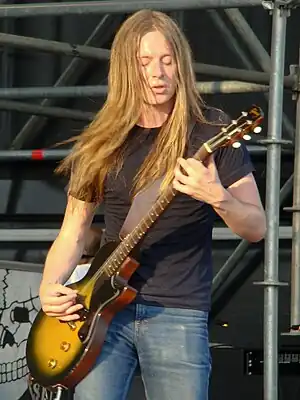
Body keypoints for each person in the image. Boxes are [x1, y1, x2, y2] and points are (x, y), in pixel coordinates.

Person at [38, 9, 266, 400]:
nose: (158, 73)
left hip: (177, 314)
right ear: (127, 67)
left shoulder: (211, 131)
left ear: (181, 63)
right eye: (145, 62)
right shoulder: (103, 139)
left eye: (167, 60)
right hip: (99, 317)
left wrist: (217, 196)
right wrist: (48, 286)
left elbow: (256, 227)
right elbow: (73, 231)